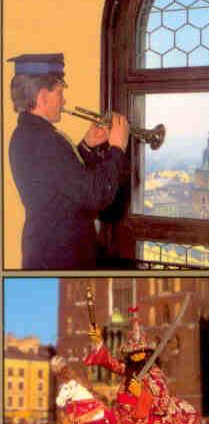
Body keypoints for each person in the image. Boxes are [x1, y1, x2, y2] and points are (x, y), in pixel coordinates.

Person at [8, 53, 130, 269]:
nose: (63, 101)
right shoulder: (46, 141)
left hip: (47, 252)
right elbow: (96, 195)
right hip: (61, 258)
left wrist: (86, 146)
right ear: (43, 97)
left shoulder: (26, 135)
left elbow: (61, 181)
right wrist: (117, 149)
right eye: (60, 93)